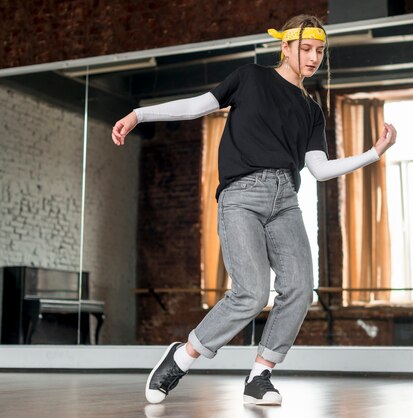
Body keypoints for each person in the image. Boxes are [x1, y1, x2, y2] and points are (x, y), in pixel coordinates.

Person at [111, 15, 397, 406]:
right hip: (241, 196)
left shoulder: (312, 111)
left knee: (298, 288)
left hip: (286, 202)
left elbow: (319, 170)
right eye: (306, 49)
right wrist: (139, 114)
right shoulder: (250, 77)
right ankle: (181, 357)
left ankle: (260, 375)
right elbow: (197, 107)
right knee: (250, 293)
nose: (313, 58)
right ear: (286, 46)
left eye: (320, 51)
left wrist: (373, 153)